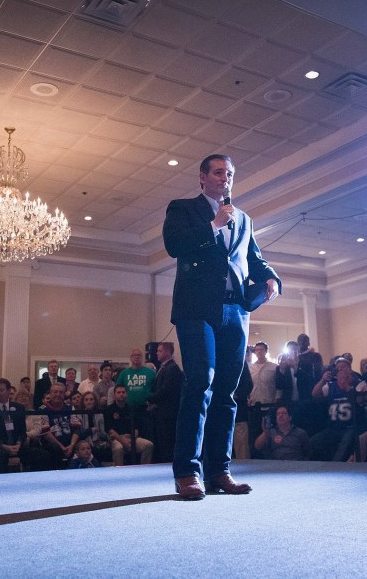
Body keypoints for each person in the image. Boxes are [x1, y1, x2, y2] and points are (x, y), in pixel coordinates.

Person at [164, 154, 281, 499]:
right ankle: (187, 471)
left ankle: (220, 471)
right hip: (196, 309)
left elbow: (253, 259)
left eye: (229, 173)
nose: (224, 178)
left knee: (227, 392)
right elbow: (173, 245)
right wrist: (214, 224)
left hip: (236, 311)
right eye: (218, 172)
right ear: (202, 177)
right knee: (200, 381)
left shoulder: (244, 219)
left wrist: (271, 278)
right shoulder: (183, 209)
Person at [146, 341, 183, 463]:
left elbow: (165, 390)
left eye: (159, 351)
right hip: (162, 412)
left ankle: (168, 464)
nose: (157, 353)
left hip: (168, 413)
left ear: (168, 352)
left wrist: (149, 398)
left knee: (167, 442)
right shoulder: (164, 368)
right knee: (162, 442)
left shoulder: (172, 369)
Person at [106, 384, 154, 465]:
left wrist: (132, 439)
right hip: (116, 438)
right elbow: (110, 430)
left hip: (131, 437)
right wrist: (123, 441)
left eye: (123, 392)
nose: (121, 394)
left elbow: (136, 428)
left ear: (127, 394)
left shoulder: (131, 408)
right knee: (118, 448)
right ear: (114, 395)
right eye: (118, 392)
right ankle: (119, 471)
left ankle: (144, 469)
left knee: (149, 445)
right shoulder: (109, 409)